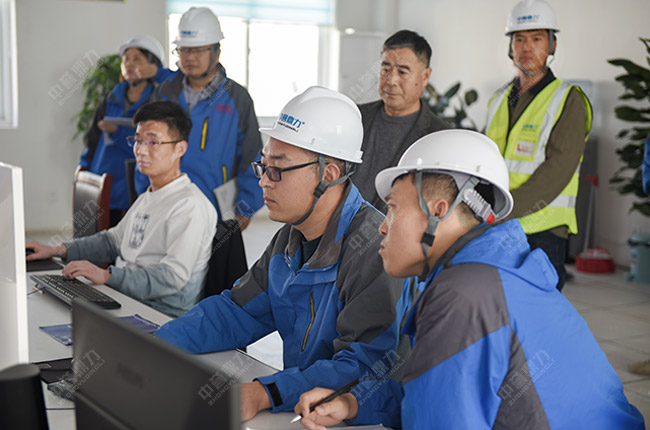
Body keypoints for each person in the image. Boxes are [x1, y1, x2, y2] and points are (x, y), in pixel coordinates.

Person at [294, 130, 645, 430]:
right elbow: (440, 394)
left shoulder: (465, 295)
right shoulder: (495, 274)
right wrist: (355, 403)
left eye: (394, 207)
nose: (383, 226)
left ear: (438, 210)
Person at [154, 87, 410, 421]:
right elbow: (235, 312)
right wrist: (155, 343)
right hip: (305, 413)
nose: (263, 182)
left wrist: (267, 392)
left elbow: (363, 368)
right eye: (263, 166)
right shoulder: (289, 238)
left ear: (328, 175)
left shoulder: (374, 250)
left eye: (277, 169)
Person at [27, 101, 217, 318]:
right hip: (126, 299)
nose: (141, 150)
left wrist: (106, 276)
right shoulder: (148, 196)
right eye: (138, 140)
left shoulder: (190, 205)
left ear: (180, 149)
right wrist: (56, 250)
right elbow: (112, 241)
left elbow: (171, 278)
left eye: (153, 142)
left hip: (160, 316)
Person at [484, 0, 593, 291]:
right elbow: (484, 160)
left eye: (537, 39)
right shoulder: (498, 100)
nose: (527, 47)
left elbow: (558, 171)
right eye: (519, 39)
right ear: (510, 47)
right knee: (498, 306)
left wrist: (505, 210)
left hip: (542, 231)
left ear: (552, 45)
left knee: (539, 310)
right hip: (498, 225)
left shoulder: (568, 99)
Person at [134, 7, 263, 229]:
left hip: (217, 211)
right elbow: (145, 146)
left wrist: (245, 208)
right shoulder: (164, 93)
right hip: (165, 203)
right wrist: (144, 194)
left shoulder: (236, 98)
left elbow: (252, 156)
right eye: (184, 50)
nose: (190, 57)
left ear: (216, 52)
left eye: (198, 50)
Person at [79, 34, 172, 227]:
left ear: (152, 64)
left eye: (137, 58)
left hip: (132, 185)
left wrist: (117, 132)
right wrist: (83, 168)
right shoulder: (111, 97)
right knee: (99, 237)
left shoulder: (158, 100)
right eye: (126, 59)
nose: (129, 64)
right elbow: (93, 140)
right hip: (102, 181)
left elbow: (154, 146)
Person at [353, 29, 450, 213]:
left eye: (402, 72)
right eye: (386, 70)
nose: (391, 80)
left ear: (425, 76)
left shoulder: (439, 137)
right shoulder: (355, 116)